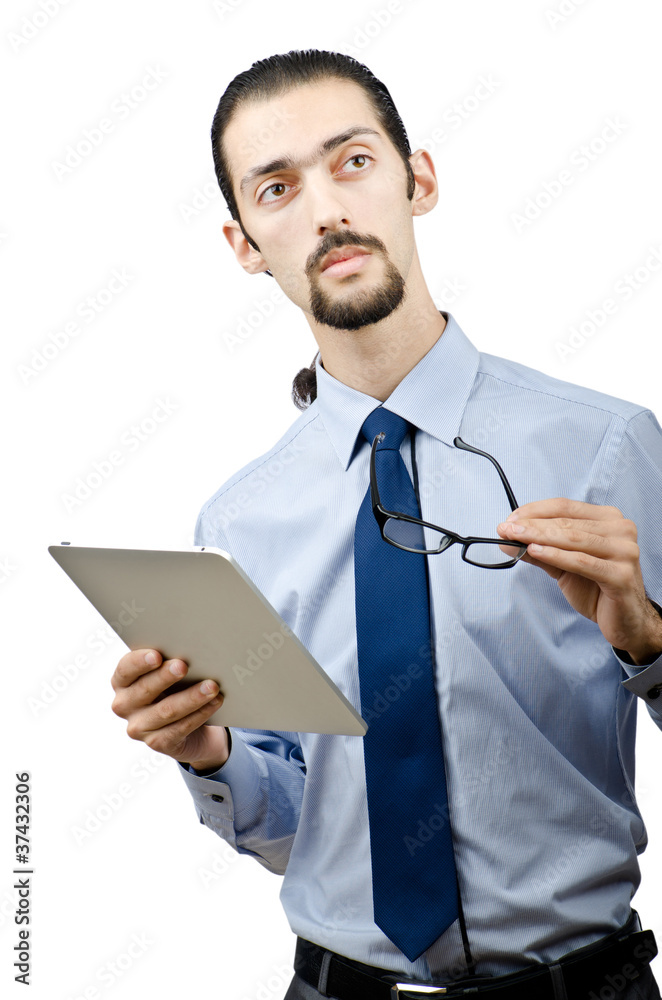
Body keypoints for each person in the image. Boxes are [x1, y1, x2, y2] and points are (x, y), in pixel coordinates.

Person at [110, 50, 662, 1000]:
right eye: (278, 188)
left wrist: (649, 642)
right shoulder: (241, 522)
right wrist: (209, 754)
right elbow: (295, 828)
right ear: (245, 243)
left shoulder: (608, 448)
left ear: (419, 180)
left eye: (353, 162)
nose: (326, 210)